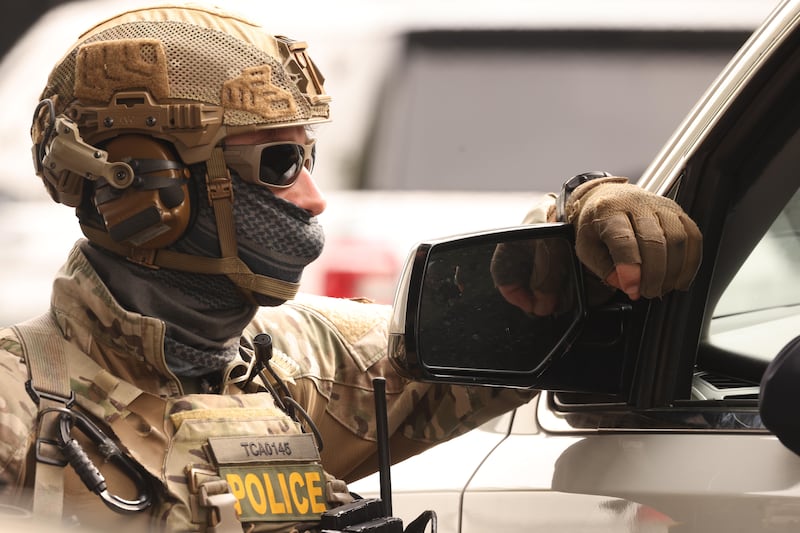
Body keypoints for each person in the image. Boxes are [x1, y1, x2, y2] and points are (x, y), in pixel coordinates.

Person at [0, 3, 702, 532]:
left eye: (307, 158)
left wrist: (584, 209)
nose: (311, 197)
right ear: (147, 189)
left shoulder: (302, 364)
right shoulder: (17, 404)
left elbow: (520, 316)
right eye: (276, 163)